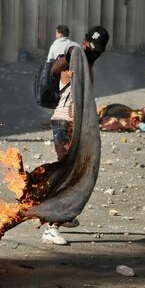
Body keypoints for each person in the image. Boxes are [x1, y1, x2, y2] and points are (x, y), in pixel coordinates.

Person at [42, 25, 109, 245]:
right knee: (68, 174)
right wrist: (72, 53)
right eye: (91, 47)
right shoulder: (75, 55)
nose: (94, 52)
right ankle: (52, 226)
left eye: (97, 50)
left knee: (73, 172)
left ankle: (61, 214)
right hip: (64, 122)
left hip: (72, 124)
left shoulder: (87, 64)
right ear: (85, 42)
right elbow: (56, 68)